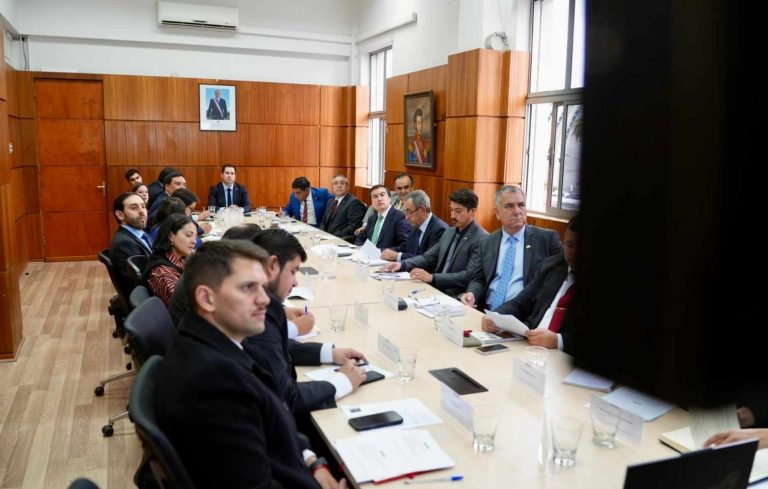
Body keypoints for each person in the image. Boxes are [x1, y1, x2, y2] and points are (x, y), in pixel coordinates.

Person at [154, 240, 346, 488]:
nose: (264, 299)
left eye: (262, 287)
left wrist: (312, 461)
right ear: (207, 298)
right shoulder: (213, 382)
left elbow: (273, 418)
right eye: (248, 287)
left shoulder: (216, 340)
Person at [239, 228, 368, 412]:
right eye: (293, 272)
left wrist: (329, 353)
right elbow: (285, 398)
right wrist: (342, 381)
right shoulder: (257, 310)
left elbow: (274, 347)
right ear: (272, 265)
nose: (295, 282)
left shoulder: (262, 302)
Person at [481, 215, 579, 351]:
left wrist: (559, 341)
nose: (573, 252)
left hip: (565, 356)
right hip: (529, 346)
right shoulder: (551, 266)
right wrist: (496, 316)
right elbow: (521, 302)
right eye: (569, 245)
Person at [460, 185, 562, 309]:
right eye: (509, 206)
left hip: (523, 313)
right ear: (497, 213)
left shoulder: (546, 240)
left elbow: (557, 281)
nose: (517, 211)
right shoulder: (486, 242)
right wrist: (472, 294)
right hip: (487, 309)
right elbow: (479, 279)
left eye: (521, 205)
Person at [382, 188, 489, 298]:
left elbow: (468, 275)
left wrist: (433, 278)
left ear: (473, 211)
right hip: (435, 290)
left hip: (456, 295)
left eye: (458, 211)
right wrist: (402, 264)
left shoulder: (482, 238)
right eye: (452, 210)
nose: (452, 216)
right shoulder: (450, 231)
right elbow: (428, 257)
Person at [380, 190, 447, 261]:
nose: (406, 217)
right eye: (405, 212)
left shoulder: (439, 230)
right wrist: (383, 251)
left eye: (408, 212)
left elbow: (426, 259)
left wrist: (398, 256)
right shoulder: (416, 225)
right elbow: (405, 248)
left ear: (422, 210)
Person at [108, 192, 153, 300]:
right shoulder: (124, 244)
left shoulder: (142, 233)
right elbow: (142, 282)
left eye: (143, 206)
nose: (142, 211)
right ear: (120, 215)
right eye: (134, 208)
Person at [145, 214, 196, 306]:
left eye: (195, 237)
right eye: (189, 235)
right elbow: (183, 306)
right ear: (171, 236)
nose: (194, 241)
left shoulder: (178, 257)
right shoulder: (162, 273)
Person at [355, 184, 410, 250]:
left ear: (389, 198)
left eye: (382, 195)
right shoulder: (372, 219)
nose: (379, 199)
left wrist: (382, 251)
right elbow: (361, 238)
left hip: (385, 255)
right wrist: (361, 248)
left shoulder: (399, 217)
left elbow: (406, 244)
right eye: (375, 196)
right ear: (372, 202)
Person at [319, 174, 366, 241]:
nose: (339, 186)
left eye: (342, 183)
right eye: (336, 183)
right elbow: (323, 221)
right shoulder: (330, 201)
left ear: (347, 186)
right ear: (332, 186)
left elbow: (353, 227)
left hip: (341, 239)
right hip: (327, 237)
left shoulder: (354, 202)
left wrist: (332, 237)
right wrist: (321, 233)